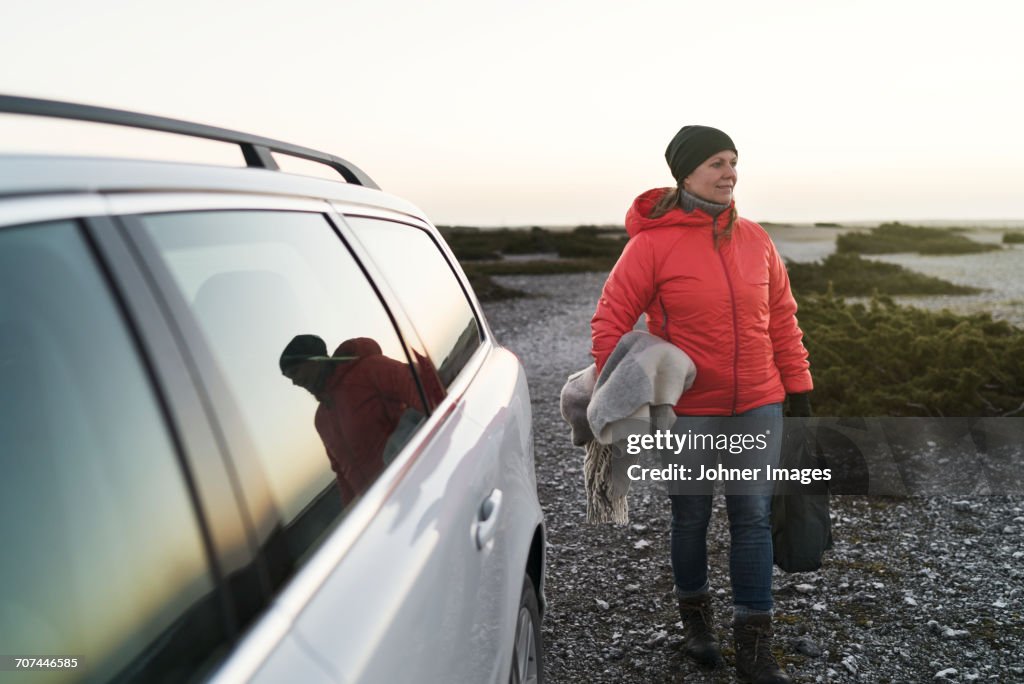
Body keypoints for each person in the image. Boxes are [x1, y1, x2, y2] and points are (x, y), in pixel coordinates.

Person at [591, 125, 812, 683]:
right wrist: (617, 390)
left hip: (759, 399)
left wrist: (799, 384)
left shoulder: (757, 240)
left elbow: (782, 317)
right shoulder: (652, 244)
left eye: (734, 162)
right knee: (690, 515)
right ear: (685, 173)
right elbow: (611, 320)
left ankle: (755, 650)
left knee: (753, 517)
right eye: (716, 162)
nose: (729, 173)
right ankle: (697, 628)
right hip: (688, 409)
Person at [280, 334, 425, 504]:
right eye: (290, 378)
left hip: (415, 483)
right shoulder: (321, 420)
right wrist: (352, 509)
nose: (295, 382)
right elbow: (342, 473)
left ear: (315, 360)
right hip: (377, 511)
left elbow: (424, 391)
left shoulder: (368, 370)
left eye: (295, 372)